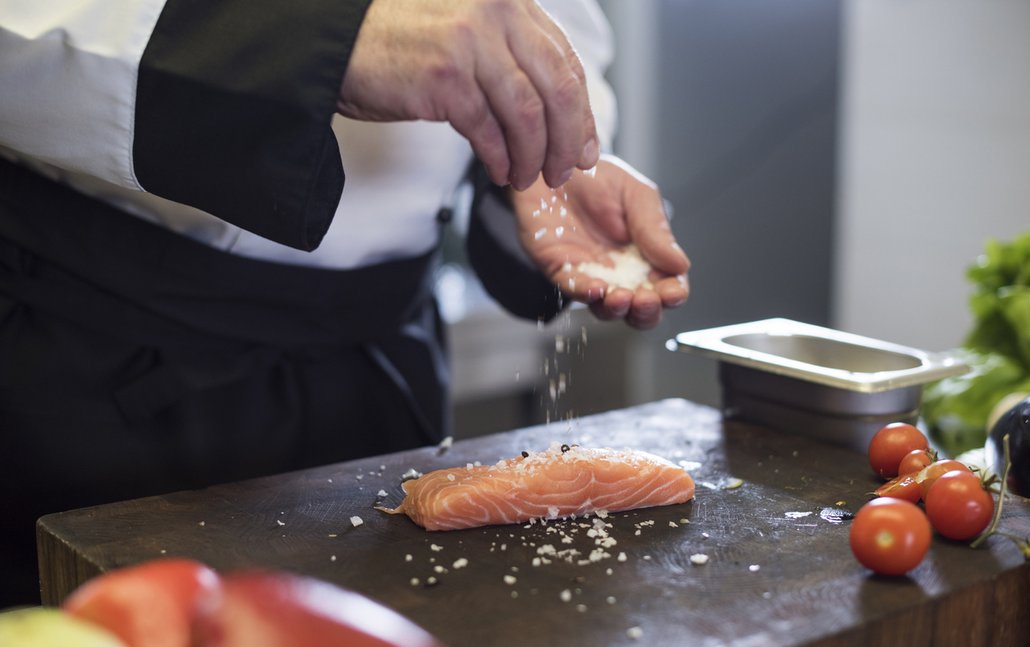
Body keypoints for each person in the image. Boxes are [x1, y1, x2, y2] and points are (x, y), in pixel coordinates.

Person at [0, 0, 690, 607]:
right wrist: (319, 38)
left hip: (381, 370)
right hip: (94, 361)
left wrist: (545, 145)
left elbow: (551, 18)